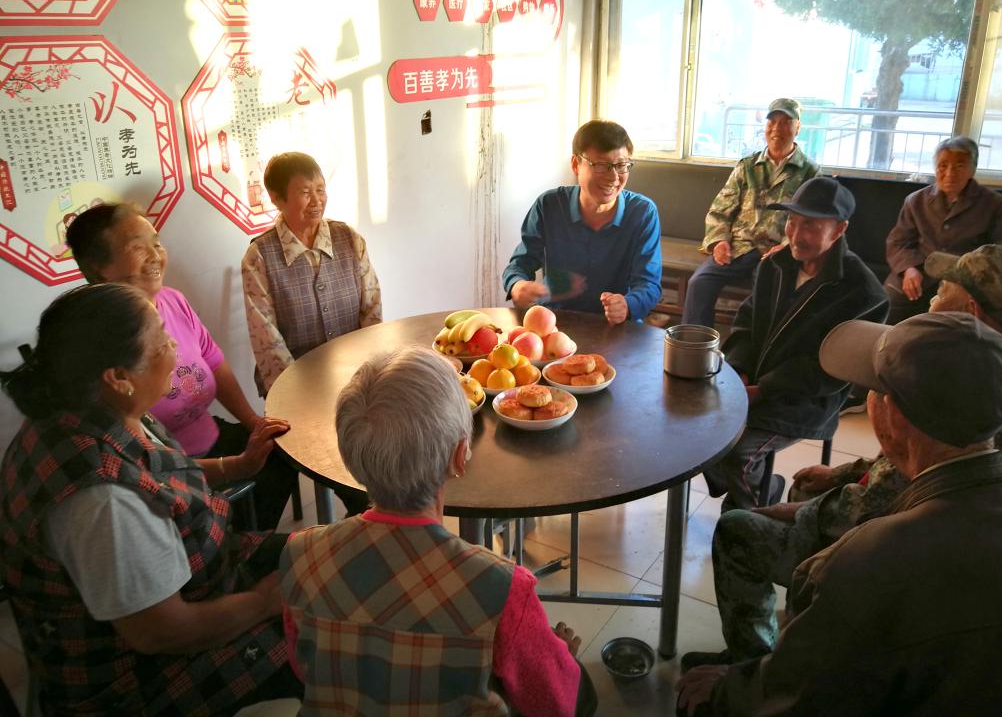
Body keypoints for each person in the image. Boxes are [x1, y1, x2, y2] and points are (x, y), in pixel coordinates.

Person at [683, 242, 1002, 672]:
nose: (932, 295)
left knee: (738, 529)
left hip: (901, 556)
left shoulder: (967, 388)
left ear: (971, 312)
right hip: (932, 533)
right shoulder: (988, 370)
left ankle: (751, 665)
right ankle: (800, 622)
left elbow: (881, 507)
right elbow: (911, 464)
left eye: (943, 290)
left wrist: (799, 512)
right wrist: (842, 473)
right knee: (805, 484)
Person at [0, 283, 301, 714]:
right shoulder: (102, 503)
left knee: (324, 551)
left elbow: (153, 473)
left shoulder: (91, 409)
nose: (174, 346)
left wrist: (237, 466)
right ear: (118, 376)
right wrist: (263, 602)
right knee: (325, 636)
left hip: (204, 573)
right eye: (161, 341)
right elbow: (161, 632)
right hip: (137, 675)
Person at [279, 346, 598, 716]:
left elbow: (304, 668)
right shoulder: (502, 588)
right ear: (459, 456)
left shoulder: (300, 555)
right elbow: (555, 703)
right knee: (584, 693)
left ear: (352, 457)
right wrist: (559, 657)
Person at [65, 202, 294, 530]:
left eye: (156, 243)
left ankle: (247, 536)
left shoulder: (173, 300)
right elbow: (144, 465)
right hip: (165, 470)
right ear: (99, 268)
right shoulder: (100, 342)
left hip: (211, 435)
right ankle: (233, 544)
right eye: (137, 247)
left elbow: (214, 362)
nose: (155, 255)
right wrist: (237, 466)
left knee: (284, 453)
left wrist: (253, 422)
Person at [703, 177, 888, 512]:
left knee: (738, 452)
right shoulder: (775, 265)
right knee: (697, 426)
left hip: (806, 400)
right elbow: (747, 324)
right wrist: (740, 371)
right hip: (753, 383)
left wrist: (764, 390)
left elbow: (830, 372)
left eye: (811, 225)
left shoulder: (863, 292)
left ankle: (751, 514)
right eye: (792, 221)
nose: (796, 234)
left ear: (840, 229)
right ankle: (764, 486)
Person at [242, 151, 382, 396]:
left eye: (320, 189)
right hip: (296, 386)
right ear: (277, 198)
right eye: (305, 192)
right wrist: (295, 395)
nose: (317, 201)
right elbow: (267, 338)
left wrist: (369, 373)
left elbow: (372, 309)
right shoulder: (259, 257)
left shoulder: (349, 239)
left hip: (356, 378)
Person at [501, 119, 662, 325]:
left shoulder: (642, 212)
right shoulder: (550, 205)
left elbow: (649, 284)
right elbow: (519, 264)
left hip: (617, 327)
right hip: (555, 323)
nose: (613, 177)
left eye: (621, 165)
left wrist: (627, 305)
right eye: (602, 166)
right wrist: (517, 285)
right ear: (576, 165)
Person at [682, 98, 820, 328]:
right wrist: (719, 241)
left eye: (786, 122)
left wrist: (787, 247)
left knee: (766, 295)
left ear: (798, 127)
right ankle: (695, 344)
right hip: (738, 247)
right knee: (699, 283)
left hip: (775, 252)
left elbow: (810, 221)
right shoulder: (747, 166)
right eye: (772, 122)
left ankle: (750, 347)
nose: (777, 129)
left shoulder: (810, 172)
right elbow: (720, 208)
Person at [884, 135, 1002, 323]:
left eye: (960, 166)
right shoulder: (916, 200)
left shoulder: (996, 204)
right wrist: (908, 269)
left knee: (952, 318)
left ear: (972, 169)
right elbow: (898, 241)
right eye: (943, 165)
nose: (949, 173)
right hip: (922, 271)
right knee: (889, 301)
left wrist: (972, 279)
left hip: (967, 278)